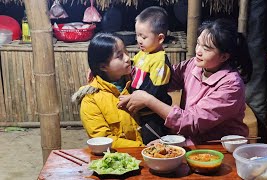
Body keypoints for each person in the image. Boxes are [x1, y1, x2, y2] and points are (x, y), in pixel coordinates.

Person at [119, 18, 252, 146]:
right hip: (189, 138)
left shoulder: (231, 85)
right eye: (198, 43)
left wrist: (148, 100)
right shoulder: (193, 65)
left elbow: (192, 121)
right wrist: (151, 62)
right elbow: (166, 80)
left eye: (206, 48)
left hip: (218, 145)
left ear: (224, 56)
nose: (198, 51)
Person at [72, 33, 143, 148]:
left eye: (126, 51)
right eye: (119, 56)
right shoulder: (91, 99)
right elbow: (103, 140)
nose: (127, 58)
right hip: (118, 160)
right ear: (103, 67)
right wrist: (142, 147)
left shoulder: (137, 82)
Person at [130, 6, 173, 144]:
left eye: (143, 37)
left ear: (160, 38)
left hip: (152, 116)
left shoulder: (159, 61)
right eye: (137, 35)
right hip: (139, 111)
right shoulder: (144, 52)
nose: (139, 40)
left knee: (152, 145)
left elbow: (155, 90)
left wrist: (133, 100)